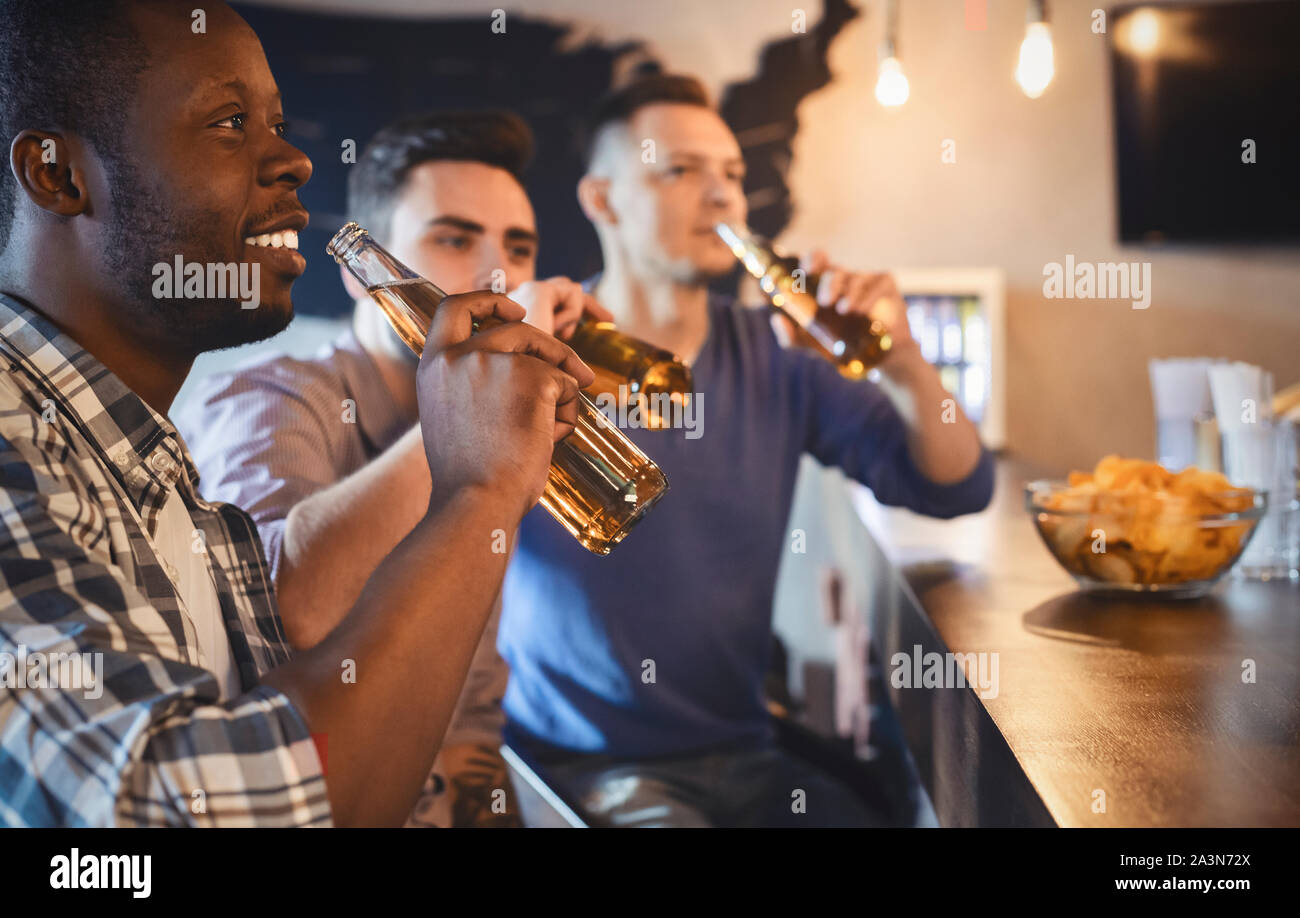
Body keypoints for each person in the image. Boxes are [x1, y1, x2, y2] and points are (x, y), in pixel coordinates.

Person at [0, 0, 590, 827]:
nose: (296, 162)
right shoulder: (15, 437)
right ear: (60, 175)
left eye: (277, 124)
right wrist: (479, 487)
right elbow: (186, 811)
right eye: (232, 122)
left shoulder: (158, 473)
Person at [496, 73, 996, 827]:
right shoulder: (543, 354)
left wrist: (904, 363)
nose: (725, 195)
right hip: (585, 770)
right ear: (602, 201)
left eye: (731, 174)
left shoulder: (776, 353)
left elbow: (957, 484)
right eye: (682, 171)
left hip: (746, 755)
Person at [175, 110, 609, 827]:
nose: (497, 274)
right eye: (453, 237)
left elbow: (468, 711)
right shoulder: (268, 397)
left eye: (518, 248)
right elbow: (290, 614)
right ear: (362, 275)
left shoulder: (506, 434)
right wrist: (466, 433)